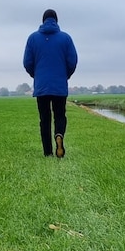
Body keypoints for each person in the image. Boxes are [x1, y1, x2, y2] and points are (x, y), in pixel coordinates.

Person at [23, 9, 78, 158]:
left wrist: (36, 75)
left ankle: (47, 152)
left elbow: (27, 62)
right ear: (56, 20)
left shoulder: (32, 38)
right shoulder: (66, 38)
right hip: (59, 85)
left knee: (44, 118)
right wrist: (65, 75)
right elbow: (72, 61)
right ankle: (59, 135)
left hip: (42, 85)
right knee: (60, 115)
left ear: (43, 21)